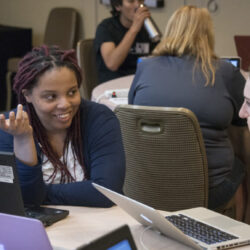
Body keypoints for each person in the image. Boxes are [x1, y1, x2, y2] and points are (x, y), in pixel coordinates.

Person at [128, 5, 247, 217]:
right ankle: (240, 229)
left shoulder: (145, 66)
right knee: (240, 163)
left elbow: (133, 111)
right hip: (208, 192)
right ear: (207, 34)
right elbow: (243, 119)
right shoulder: (224, 71)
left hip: (146, 186)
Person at [0, 45, 125, 208]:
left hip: (100, 223)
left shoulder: (99, 118)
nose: (65, 104)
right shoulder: (11, 129)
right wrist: (23, 140)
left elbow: (107, 192)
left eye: (72, 92)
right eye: (51, 96)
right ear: (27, 95)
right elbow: (22, 201)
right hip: (43, 228)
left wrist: (42, 192)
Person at [94, 0, 158, 84]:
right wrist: (134, 29)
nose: (137, 5)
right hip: (114, 86)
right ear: (118, 6)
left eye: (140, 0)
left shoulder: (147, 27)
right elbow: (112, 64)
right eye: (131, 1)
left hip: (140, 83)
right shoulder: (106, 27)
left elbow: (159, 57)